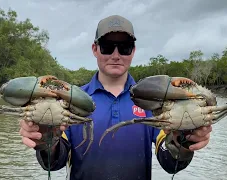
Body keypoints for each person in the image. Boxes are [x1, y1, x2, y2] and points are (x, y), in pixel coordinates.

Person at [19, 15, 212, 180]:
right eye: (107, 46)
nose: (116, 55)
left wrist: (185, 143)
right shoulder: (70, 101)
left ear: (133, 51)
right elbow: (54, 162)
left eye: (125, 47)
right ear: (95, 49)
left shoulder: (154, 102)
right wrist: (44, 140)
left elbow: (171, 163)